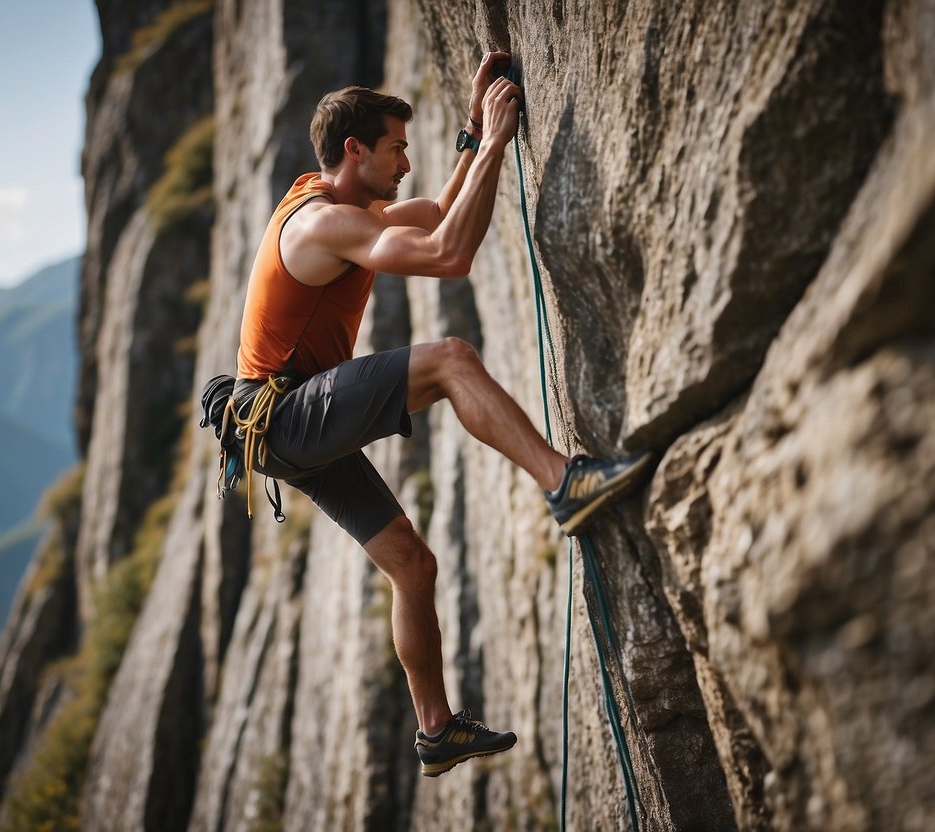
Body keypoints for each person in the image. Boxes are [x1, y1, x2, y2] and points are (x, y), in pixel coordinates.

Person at [231, 51, 654, 777]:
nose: (404, 162)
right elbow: (448, 250)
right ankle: (564, 483)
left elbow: (429, 213)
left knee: (413, 566)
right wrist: (494, 142)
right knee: (451, 359)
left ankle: (435, 731)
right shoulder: (320, 226)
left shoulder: (328, 198)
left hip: (274, 425)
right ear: (354, 150)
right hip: (285, 415)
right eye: (395, 148)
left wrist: (470, 136)